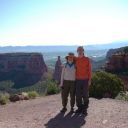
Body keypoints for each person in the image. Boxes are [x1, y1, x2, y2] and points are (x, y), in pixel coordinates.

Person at [75, 46, 92, 114]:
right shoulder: (75, 59)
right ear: (77, 51)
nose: (80, 51)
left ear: (83, 51)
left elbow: (90, 70)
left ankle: (85, 108)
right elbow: (69, 62)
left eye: (81, 50)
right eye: (79, 50)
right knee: (78, 95)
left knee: (85, 94)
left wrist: (90, 80)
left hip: (85, 79)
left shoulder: (87, 59)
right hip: (78, 80)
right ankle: (79, 108)